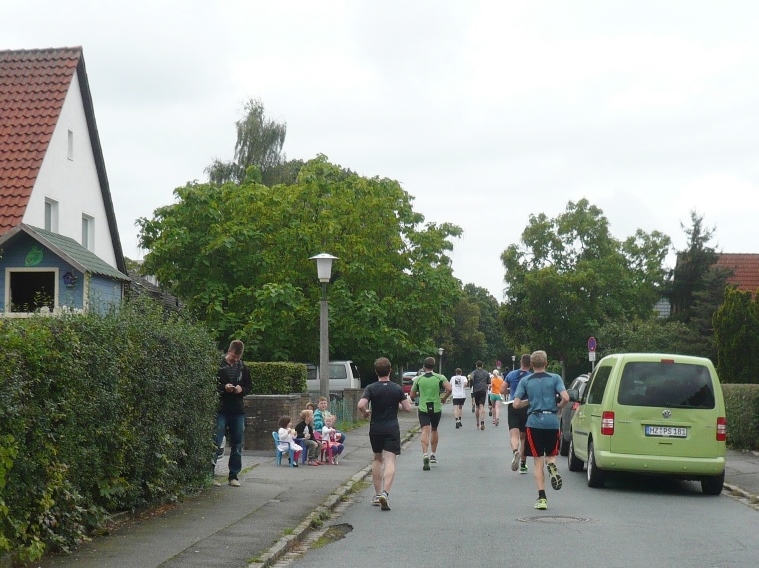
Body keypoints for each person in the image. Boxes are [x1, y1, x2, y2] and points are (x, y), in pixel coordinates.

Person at [512, 350, 569, 510]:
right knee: (551, 455)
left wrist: (529, 402)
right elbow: (566, 397)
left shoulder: (526, 380)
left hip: (534, 422)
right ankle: (551, 466)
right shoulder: (555, 378)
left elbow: (516, 404)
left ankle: (542, 498)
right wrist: (558, 407)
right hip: (551, 421)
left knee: (537, 461)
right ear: (546, 363)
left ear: (531, 365)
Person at [358, 356, 412, 511]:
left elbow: (361, 404)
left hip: (376, 428)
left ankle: (377, 494)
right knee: (390, 461)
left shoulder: (371, 388)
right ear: (390, 371)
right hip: (391, 428)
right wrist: (398, 405)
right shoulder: (397, 388)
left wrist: (365, 412)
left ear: (376, 371)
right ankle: (385, 493)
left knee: (377, 458)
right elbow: (407, 408)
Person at [214, 340, 253, 487]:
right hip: (221, 409)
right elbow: (212, 384)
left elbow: (249, 386)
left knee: (237, 444)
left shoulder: (243, 368)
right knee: (216, 442)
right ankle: (210, 474)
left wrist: (241, 390)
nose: (236, 360)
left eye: (238, 357)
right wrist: (224, 387)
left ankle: (233, 476)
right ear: (229, 351)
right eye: (234, 356)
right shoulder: (218, 366)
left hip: (237, 410)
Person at [410, 356, 452, 470]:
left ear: (424, 367)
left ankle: (425, 454)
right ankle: (433, 454)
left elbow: (412, 395)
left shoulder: (418, 379)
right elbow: (449, 389)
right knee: (434, 429)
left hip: (423, 407)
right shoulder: (440, 377)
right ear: (434, 366)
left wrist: (420, 394)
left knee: (425, 431)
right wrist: (444, 398)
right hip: (436, 407)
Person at [502, 354, 532, 474]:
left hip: (513, 405)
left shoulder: (511, 374)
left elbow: (502, 390)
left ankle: (515, 451)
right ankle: (523, 465)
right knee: (524, 437)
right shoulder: (531, 376)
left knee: (514, 435)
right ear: (530, 364)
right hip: (526, 406)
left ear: (520, 362)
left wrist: (511, 390)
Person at [470, 360, 490, 431]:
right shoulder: (486, 372)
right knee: (482, 406)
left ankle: (477, 423)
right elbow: (489, 382)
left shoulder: (474, 372)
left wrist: (472, 385)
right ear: (482, 365)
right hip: (483, 390)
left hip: (476, 390)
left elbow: (471, 378)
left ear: (476, 365)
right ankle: (482, 421)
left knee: (477, 406)